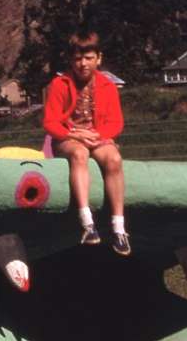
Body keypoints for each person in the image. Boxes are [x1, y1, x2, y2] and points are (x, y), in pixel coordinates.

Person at [42, 31, 129, 256]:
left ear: (99, 58)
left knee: (114, 159)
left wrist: (97, 136)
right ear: (71, 60)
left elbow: (116, 123)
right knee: (79, 154)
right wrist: (75, 134)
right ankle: (87, 222)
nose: (83, 64)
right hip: (69, 138)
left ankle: (119, 228)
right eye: (78, 59)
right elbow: (50, 123)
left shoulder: (107, 86)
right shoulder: (59, 84)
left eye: (89, 58)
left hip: (97, 136)